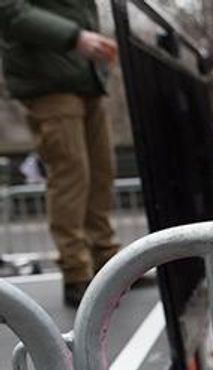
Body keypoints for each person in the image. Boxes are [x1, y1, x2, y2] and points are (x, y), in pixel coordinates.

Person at [0, 0, 121, 306]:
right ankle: (76, 271)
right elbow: (10, 11)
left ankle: (107, 261)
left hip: (86, 76)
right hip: (48, 79)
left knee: (101, 170)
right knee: (72, 173)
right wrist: (75, 37)